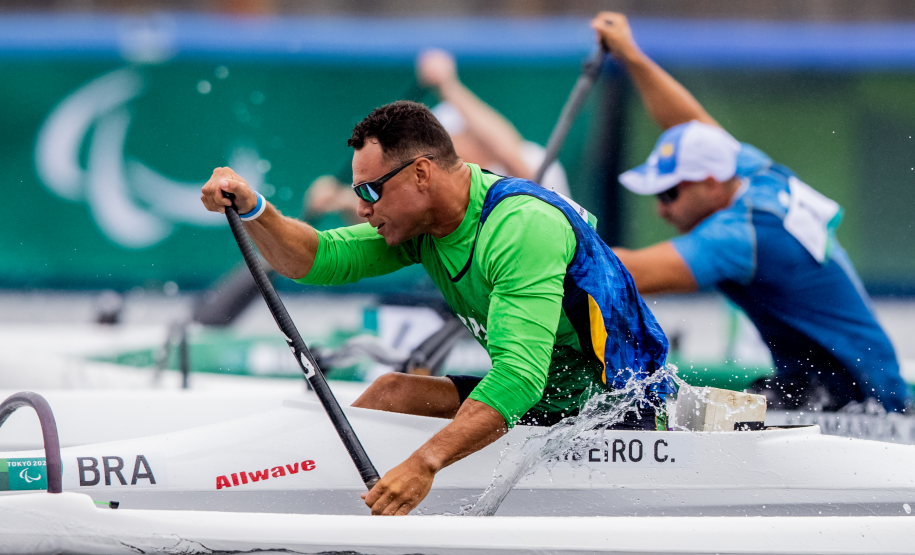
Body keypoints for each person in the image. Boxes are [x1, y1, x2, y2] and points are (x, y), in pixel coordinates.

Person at [200, 101, 669, 515]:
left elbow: (519, 377)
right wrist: (256, 208)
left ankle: (346, 503)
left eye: (370, 190)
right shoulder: (426, 223)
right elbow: (314, 259)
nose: (361, 207)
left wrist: (425, 463)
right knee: (390, 393)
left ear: (421, 174)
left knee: (421, 417)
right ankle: (319, 495)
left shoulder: (520, 228)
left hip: (616, 411)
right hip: (545, 398)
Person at [591, 13, 911, 412]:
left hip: (866, 401)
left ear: (709, 183)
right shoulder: (755, 172)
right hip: (837, 382)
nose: (661, 210)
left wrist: (546, 243)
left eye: (670, 193)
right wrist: (631, 56)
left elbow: (625, 273)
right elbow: (690, 126)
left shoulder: (737, 237)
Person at [304, 49, 568, 224]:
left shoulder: (531, 158)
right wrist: (341, 201)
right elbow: (394, 223)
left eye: (450, 141)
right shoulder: (447, 187)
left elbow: (509, 154)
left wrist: (448, 86)